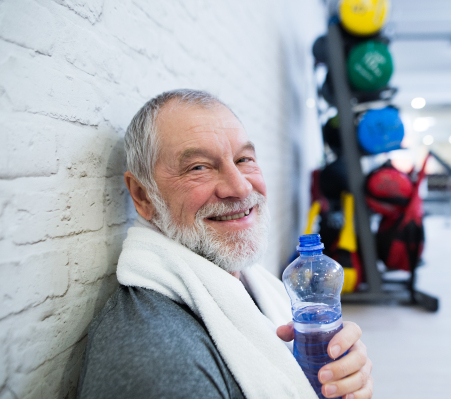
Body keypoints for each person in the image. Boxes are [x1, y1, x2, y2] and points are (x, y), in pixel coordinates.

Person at [77, 89, 373, 399]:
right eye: (198, 168)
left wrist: (341, 378)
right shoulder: (156, 361)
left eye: (244, 159)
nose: (240, 187)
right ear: (142, 196)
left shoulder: (248, 284)